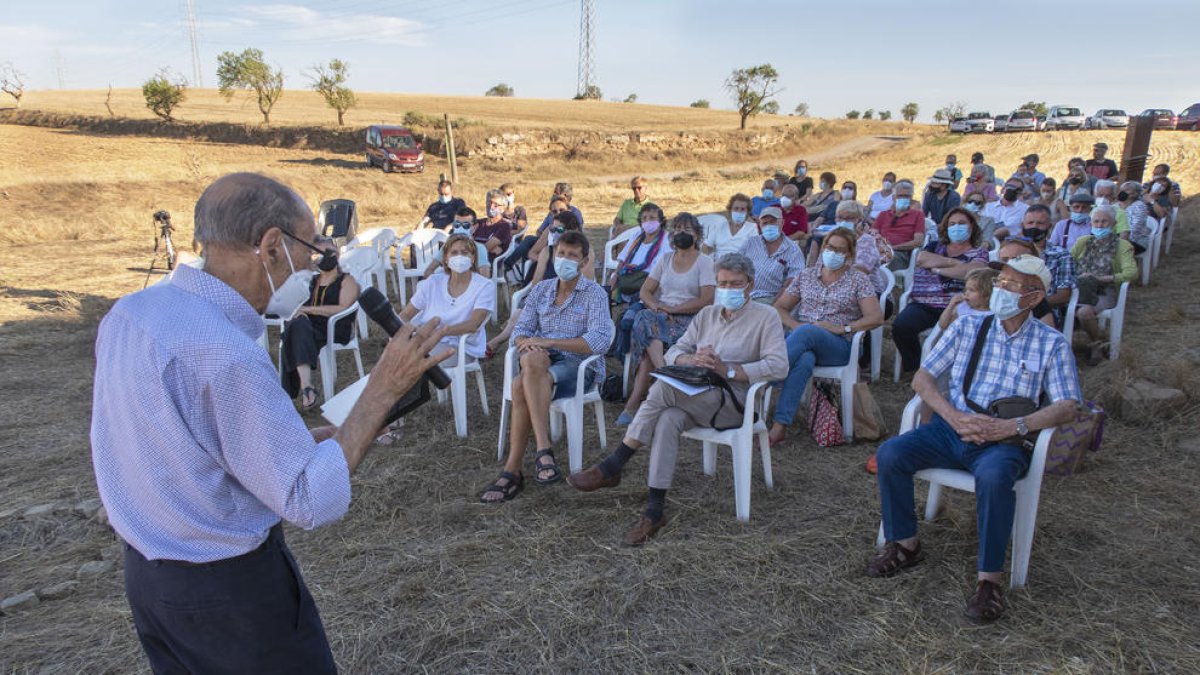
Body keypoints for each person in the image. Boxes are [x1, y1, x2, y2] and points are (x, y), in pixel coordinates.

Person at [91, 173, 452, 673]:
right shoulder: (224, 353)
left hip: (152, 579)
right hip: (229, 593)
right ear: (271, 245)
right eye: (309, 250)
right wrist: (383, 388)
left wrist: (294, 441)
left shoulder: (132, 313)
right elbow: (309, 498)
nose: (310, 264)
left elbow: (175, 441)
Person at [869, 254, 1082, 622]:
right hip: (952, 428)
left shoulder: (1051, 343)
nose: (999, 290)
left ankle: (989, 580)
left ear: (1032, 298)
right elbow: (923, 378)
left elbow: (1067, 406)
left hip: (1004, 440)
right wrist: (953, 416)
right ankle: (905, 544)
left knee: (996, 477)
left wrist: (1014, 427)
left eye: (1010, 286)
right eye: (999, 284)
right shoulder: (970, 327)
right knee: (891, 454)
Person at [566, 253, 788, 545]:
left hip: (736, 403)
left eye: (736, 284)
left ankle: (614, 465)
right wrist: (692, 358)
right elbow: (673, 352)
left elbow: (779, 366)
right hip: (698, 394)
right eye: (722, 283)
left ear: (750, 285)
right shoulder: (708, 314)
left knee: (662, 389)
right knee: (668, 418)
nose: (729, 290)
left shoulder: (765, 316)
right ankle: (654, 510)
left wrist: (731, 370)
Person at [481, 231, 614, 503]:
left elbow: (599, 341)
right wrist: (529, 344)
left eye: (572, 256)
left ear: (584, 261)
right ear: (554, 255)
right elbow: (520, 330)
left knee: (520, 384)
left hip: (579, 368)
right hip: (541, 362)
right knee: (532, 359)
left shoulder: (594, 294)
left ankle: (513, 471)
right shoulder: (541, 289)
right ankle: (543, 452)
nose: (565, 259)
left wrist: (551, 341)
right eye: (561, 253)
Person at [768, 229, 883, 446]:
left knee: (808, 333)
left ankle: (765, 377)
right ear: (823, 248)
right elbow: (780, 307)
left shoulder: (859, 280)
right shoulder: (807, 275)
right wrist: (796, 326)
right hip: (803, 342)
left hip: (840, 346)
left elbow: (876, 317)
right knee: (804, 360)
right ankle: (779, 426)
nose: (833, 253)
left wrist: (844, 329)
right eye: (830, 248)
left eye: (840, 250)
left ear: (849, 254)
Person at [617, 214, 716, 425]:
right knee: (645, 315)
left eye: (687, 230)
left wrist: (674, 309)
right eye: (678, 229)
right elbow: (645, 291)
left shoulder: (705, 262)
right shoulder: (665, 259)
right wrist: (658, 307)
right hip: (661, 317)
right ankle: (665, 371)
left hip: (690, 320)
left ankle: (633, 403)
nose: (682, 234)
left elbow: (707, 299)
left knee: (646, 355)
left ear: (697, 235)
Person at [891, 207, 989, 376]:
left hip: (960, 304)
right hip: (925, 302)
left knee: (958, 335)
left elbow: (972, 273)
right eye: (952, 224)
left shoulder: (979, 251)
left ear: (971, 227)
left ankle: (948, 372)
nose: (956, 227)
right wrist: (956, 264)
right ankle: (915, 369)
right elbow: (922, 259)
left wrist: (937, 268)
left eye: (961, 223)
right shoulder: (934, 246)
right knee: (901, 326)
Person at [487, 211, 594, 357]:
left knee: (520, 316)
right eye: (552, 229)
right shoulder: (547, 251)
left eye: (559, 230)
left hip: (570, 299)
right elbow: (536, 283)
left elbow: (586, 283)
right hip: (544, 295)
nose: (555, 233)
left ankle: (499, 343)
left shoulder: (585, 254)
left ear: (573, 230)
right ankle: (516, 348)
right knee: (519, 314)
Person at [280, 237, 361, 410]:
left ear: (336, 254)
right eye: (318, 253)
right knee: (297, 325)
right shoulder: (312, 280)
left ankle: (289, 394)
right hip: (310, 328)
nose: (323, 257)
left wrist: (308, 311)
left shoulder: (346, 281)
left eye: (327, 253)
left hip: (335, 328)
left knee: (294, 332)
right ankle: (307, 387)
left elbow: (343, 308)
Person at [1071, 205, 1137, 365]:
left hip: (1105, 291)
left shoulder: (1122, 246)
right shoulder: (1083, 242)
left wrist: (1101, 278)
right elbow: (1069, 263)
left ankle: (1097, 345)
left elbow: (1131, 273)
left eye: (1104, 222)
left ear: (1113, 224)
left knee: (1084, 312)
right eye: (1096, 222)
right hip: (1080, 288)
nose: (1099, 226)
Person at [609, 202, 672, 359]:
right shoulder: (637, 236)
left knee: (636, 306)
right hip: (628, 279)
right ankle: (607, 334)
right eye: (644, 218)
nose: (648, 221)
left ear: (661, 220)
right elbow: (622, 259)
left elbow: (667, 267)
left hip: (650, 283)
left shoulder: (666, 239)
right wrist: (615, 277)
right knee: (603, 293)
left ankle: (628, 321)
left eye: (652, 218)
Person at [1010, 204, 1077, 325]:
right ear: (1022, 225)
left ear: (1049, 227)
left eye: (1040, 223)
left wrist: (1031, 303)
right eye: (1030, 223)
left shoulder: (1061, 255)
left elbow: (1063, 295)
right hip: (1008, 308)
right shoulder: (1010, 252)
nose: (1034, 227)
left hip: (1044, 313)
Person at [738, 206, 806, 303]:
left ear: (782, 223)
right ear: (760, 225)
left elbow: (794, 280)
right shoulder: (751, 243)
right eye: (765, 223)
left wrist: (776, 303)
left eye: (773, 222)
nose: (769, 226)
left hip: (771, 298)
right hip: (743, 295)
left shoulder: (792, 249)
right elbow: (735, 265)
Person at [874, 180, 926, 271]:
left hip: (900, 253)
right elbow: (872, 234)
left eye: (907, 196)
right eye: (900, 196)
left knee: (883, 260)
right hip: (879, 249)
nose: (904, 198)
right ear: (893, 197)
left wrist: (892, 248)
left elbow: (918, 241)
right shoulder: (883, 215)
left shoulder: (918, 215)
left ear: (911, 198)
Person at [424, 210, 491, 278]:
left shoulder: (479, 248)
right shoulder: (446, 247)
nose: (460, 228)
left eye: (466, 225)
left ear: (474, 227)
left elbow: (485, 276)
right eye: (457, 224)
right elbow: (428, 271)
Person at [702, 193, 759, 259]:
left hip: (740, 264)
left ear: (747, 212)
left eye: (743, 209)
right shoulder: (720, 226)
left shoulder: (752, 228)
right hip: (719, 263)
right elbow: (706, 246)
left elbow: (755, 251)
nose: (739, 212)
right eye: (736, 208)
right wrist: (706, 260)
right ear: (730, 210)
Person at [473, 189, 514, 261]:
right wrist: (492, 249)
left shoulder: (504, 226)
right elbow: (462, 242)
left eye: (496, 205)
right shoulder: (478, 222)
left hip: (487, 265)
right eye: (489, 202)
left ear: (503, 208)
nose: (491, 206)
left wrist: (472, 243)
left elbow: (485, 248)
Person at [1117, 181, 1152, 254]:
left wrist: (1121, 240)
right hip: (1120, 237)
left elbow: (1135, 229)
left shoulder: (1139, 206)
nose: (1123, 192)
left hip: (1137, 241)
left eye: (1127, 190)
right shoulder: (1118, 205)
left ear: (1135, 194)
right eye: (1122, 190)